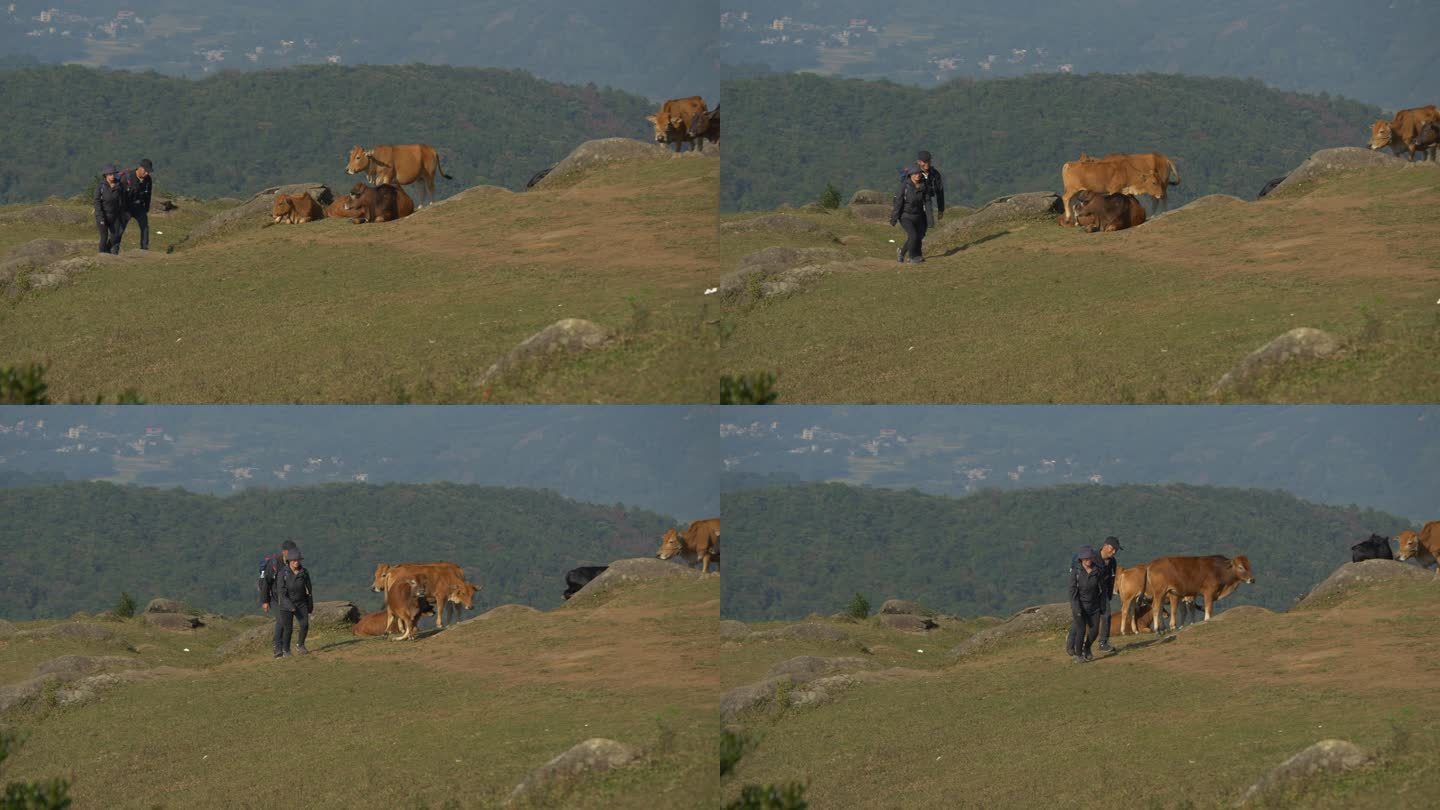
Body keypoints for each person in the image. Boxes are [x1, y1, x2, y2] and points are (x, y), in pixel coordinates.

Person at [259, 540, 299, 656]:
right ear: (284, 552)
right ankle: (277, 648)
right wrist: (265, 601)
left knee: (288, 623)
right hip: (275, 598)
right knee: (281, 621)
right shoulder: (274, 564)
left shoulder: (294, 562)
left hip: (288, 597)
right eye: (291, 551)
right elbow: (266, 582)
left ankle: (286, 649)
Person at [273, 547, 314, 658]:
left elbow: (309, 589)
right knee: (288, 629)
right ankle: (286, 650)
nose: (296, 562)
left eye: (298, 560)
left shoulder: (304, 572)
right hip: (286, 605)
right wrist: (289, 606)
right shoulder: (283, 573)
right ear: (289, 561)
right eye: (294, 560)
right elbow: (281, 592)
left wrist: (310, 604)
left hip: (301, 602)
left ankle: (300, 644)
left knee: (304, 624)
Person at [1068, 546, 1105, 663]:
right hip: (1080, 606)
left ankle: (1087, 648)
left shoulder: (1097, 571)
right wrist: (1076, 609)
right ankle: (1078, 655)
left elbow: (1101, 589)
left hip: (1094, 606)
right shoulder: (1076, 573)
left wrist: (1102, 605)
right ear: (1081, 560)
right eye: (1086, 559)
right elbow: (1072, 593)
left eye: (1090, 558)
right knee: (1081, 631)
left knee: (1094, 631)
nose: (1088, 560)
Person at [889, 164, 929, 264]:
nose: (918, 175)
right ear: (910, 175)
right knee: (913, 236)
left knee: (918, 236)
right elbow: (898, 203)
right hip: (905, 216)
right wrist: (894, 218)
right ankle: (912, 257)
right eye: (915, 173)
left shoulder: (923, 186)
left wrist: (930, 218)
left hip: (919, 215)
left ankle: (901, 253)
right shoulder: (904, 187)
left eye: (919, 173)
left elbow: (927, 201)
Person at [118, 159, 155, 250]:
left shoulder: (148, 180)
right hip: (126, 207)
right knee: (120, 229)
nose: (147, 173)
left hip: (139, 207)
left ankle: (144, 248)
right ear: (140, 168)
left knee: (145, 227)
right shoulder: (127, 178)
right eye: (145, 171)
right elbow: (119, 194)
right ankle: (113, 248)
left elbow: (148, 194)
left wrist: (146, 208)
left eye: (148, 172)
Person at [1095, 536, 1122, 652]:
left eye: (1116, 550)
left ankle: (1103, 642)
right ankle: (1072, 643)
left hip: (1104, 592)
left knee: (1106, 615)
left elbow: (1112, 578)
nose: (1114, 552)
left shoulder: (1113, 562)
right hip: (1090, 593)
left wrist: (1109, 594)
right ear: (1105, 546)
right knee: (1084, 618)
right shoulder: (1093, 558)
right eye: (1112, 548)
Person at [93, 164, 126, 255]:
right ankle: (101, 256)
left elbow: (122, 199)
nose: (112, 176)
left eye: (113, 174)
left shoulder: (119, 185)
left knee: (116, 235)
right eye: (110, 174)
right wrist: (100, 217)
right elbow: (97, 202)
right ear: (105, 175)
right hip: (103, 216)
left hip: (115, 215)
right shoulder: (101, 187)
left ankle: (110, 252)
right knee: (104, 237)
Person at [916, 150, 945, 228]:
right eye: (924, 162)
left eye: (928, 161)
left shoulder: (935, 174)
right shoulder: (913, 173)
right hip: (913, 200)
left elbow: (940, 191)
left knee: (930, 223)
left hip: (927, 199)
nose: (927, 164)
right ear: (918, 162)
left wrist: (941, 209)